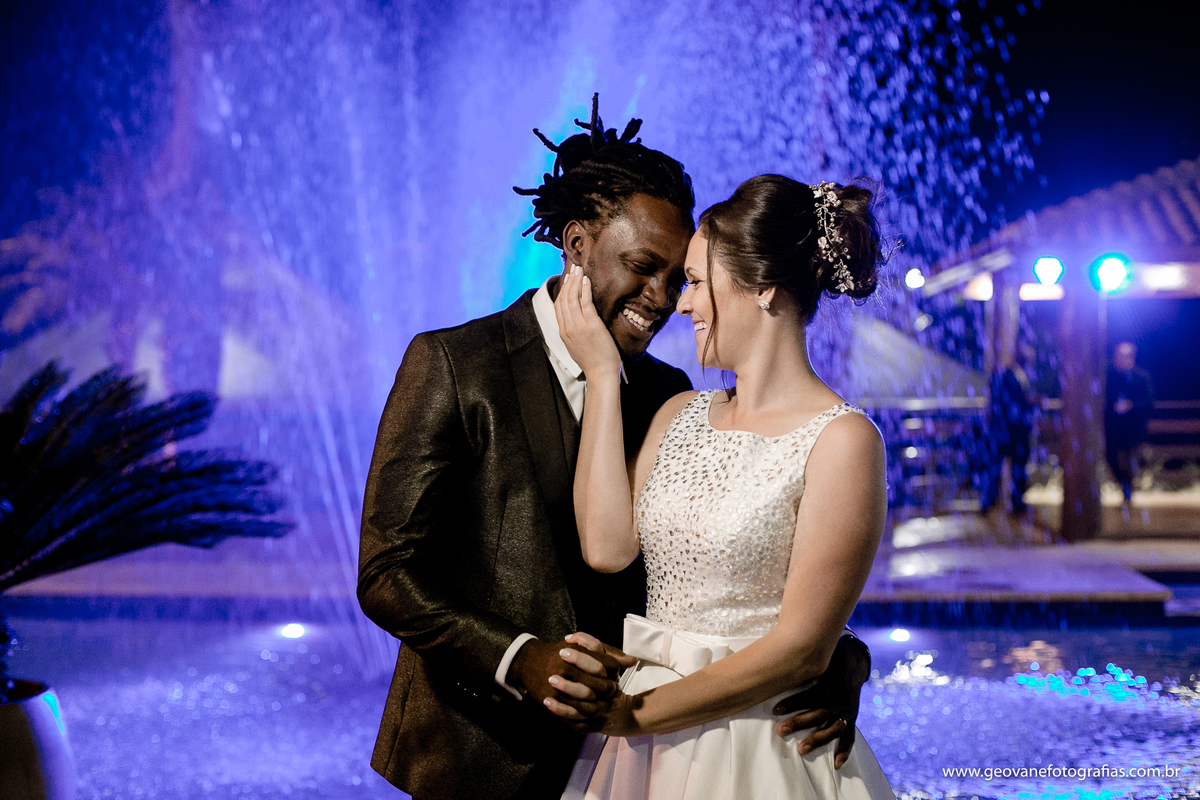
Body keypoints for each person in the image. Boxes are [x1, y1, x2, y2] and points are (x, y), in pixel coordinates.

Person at [357, 99, 872, 799]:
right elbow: (387, 569)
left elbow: (729, 567)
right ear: (577, 245)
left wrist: (834, 654)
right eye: (643, 266)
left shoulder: (666, 391)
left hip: (647, 743)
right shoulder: (454, 364)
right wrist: (519, 658)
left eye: (682, 277)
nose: (664, 298)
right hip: (483, 750)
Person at [550, 174, 895, 798]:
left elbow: (802, 650)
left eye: (695, 281)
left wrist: (635, 715)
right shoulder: (678, 412)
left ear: (760, 286)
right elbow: (606, 548)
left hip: (754, 743)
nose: (681, 304)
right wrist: (602, 376)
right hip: (646, 750)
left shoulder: (844, 441)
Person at [984, 353, 1035, 515]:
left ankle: (993, 500)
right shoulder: (1013, 377)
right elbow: (1018, 402)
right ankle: (1012, 501)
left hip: (1007, 430)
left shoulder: (1006, 376)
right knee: (1014, 466)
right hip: (1013, 430)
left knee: (999, 465)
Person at [1105, 341, 1154, 504]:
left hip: (1134, 428)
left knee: (1131, 460)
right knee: (1111, 457)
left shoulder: (1142, 376)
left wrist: (1131, 406)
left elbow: (1148, 401)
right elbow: (1102, 399)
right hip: (1114, 427)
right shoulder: (1111, 376)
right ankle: (1124, 485)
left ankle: (1128, 489)